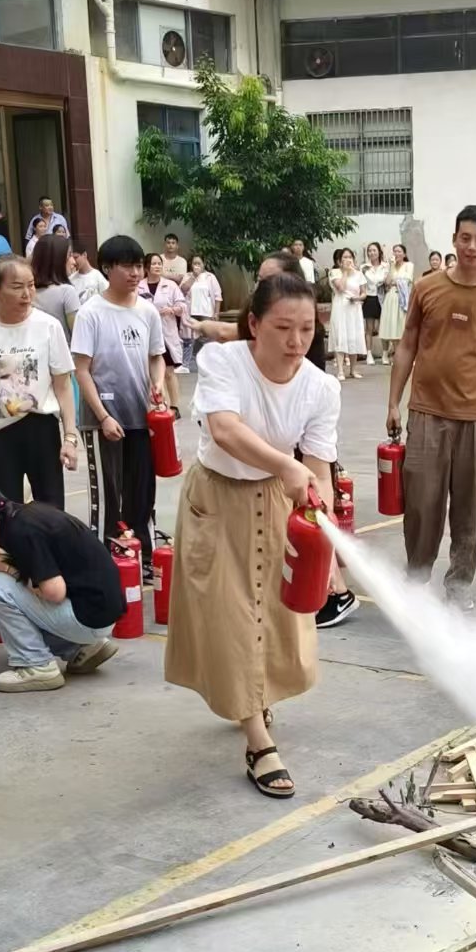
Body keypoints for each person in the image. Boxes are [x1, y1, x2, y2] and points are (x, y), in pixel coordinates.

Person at [164, 273, 340, 799]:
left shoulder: (320, 386)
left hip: (280, 502)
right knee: (231, 614)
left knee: (277, 612)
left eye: (307, 329)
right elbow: (225, 429)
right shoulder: (224, 361)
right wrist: (283, 467)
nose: (295, 342)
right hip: (217, 497)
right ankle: (258, 742)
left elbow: (318, 466)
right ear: (254, 324)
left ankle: (255, 698)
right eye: (283, 327)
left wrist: (328, 543)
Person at [386, 205, 476, 605]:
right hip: (425, 411)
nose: (472, 247)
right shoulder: (428, 287)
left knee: (467, 509)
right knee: (422, 504)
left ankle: (459, 586)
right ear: (454, 240)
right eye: (465, 238)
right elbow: (407, 343)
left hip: (475, 418)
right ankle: (415, 580)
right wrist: (394, 401)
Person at [0, 481, 122, 693]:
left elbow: (55, 592)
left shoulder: (22, 532)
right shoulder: (17, 517)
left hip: (89, 618)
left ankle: (36, 665)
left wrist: (9, 570)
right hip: (99, 611)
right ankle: (81, 649)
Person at [72, 234, 166, 556]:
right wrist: (103, 416)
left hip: (142, 415)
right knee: (109, 496)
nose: (135, 273)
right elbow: (81, 370)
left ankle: (144, 557)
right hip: (104, 420)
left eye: (139, 265)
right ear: (107, 268)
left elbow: (157, 356)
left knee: (142, 492)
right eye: (127, 266)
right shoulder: (91, 313)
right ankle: (105, 559)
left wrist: (158, 384)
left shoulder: (148, 311)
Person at [0, 252, 78, 507]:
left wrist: (69, 437)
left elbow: (63, 384)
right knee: (4, 513)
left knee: (51, 510)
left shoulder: (48, 326)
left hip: (41, 428)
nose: (27, 294)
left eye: (31, 285)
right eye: (17, 287)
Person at [144, 251, 188, 408]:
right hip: (147, 334)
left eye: (159, 263)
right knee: (152, 373)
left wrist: (172, 309)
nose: (157, 266)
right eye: (153, 264)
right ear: (146, 267)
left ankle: (175, 407)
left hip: (166, 333)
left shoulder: (170, 285)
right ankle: (160, 404)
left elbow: (182, 305)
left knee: (169, 372)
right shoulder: (139, 286)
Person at [31, 233, 82, 341]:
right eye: (69, 256)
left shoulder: (29, 292)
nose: (73, 262)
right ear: (57, 260)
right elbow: (78, 336)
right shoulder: (67, 291)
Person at [328, 247, 366, 381]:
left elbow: (363, 292)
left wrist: (358, 298)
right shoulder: (335, 272)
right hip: (340, 307)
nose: (348, 260)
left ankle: (353, 369)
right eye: (345, 257)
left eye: (350, 257)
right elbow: (341, 288)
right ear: (339, 260)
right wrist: (345, 272)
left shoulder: (359, 274)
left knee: (353, 336)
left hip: (354, 308)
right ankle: (340, 370)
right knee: (341, 336)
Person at [380, 242, 414, 362]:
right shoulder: (391, 266)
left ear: (404, 254)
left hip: (402, 297)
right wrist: (391, 267)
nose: (397, 253)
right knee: (391, 324)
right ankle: (392, 354)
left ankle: (402, 354)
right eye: (395, 251)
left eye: (399, 251)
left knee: (402, 325)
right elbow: (387, 282)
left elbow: (407, 279)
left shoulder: (409, 265)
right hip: (391, 297)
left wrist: (395, 282)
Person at [185, 253, 222, 364]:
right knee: (191, 337)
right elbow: (182, 290)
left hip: (206, 312)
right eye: (194, 263)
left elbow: (218, 295)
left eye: (199, 263)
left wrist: (216, 313)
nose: (196, 265)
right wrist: (193, 277)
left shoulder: (210, 277)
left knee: (208, 337)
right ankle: (190, 362)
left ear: (203, 264)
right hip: (191, 312)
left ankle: (210, 361)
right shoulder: (187, 276)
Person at [361, 242, 388, 362]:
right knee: (369, 328)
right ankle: (369, 354)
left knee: (384, 327)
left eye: (374, 250)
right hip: (369, 297)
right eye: (369, 251)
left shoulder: (386, 266)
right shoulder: (364, 267)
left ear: (379, 252)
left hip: (382, 297)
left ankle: (385, 353)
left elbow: (385, 281)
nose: (372, 253)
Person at [69, 240, 108, 304]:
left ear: (84, 255)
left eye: (76, 257)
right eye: (71, 258)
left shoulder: (97, 277)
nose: (74, 261)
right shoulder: (71, 278)